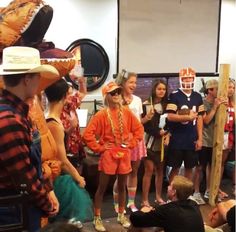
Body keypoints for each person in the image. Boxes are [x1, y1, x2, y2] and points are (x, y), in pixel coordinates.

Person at [0, 46, 60, 232]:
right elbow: (24, 177)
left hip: (20, 205)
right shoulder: (9, 120)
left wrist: (48, 189)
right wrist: (47, 204)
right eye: (37, 76)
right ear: (27, 79)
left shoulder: (18, 113)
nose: (40, 81)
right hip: (14, 209)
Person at [82, 81, 144, 231]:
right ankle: (97, 217)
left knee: (122, 186)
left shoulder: (127, 112)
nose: (116, 95)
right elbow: (87, 135)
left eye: (118, 92)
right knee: (102, 187)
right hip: (109, 155)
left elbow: (139, 130)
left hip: (124, 154)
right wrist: (100, 148)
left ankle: (121, 215)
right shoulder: (101, 114)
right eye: (113, 93)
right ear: (107, 96)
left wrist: (131, 144)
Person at [44, 79, 93, 224]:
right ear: (66, 95)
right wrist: (78, 177)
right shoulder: (53, 122)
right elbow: (62, 160)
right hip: (58, 177)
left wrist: (69, 129)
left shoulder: (52, 119)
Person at [113, 70, 146, 212]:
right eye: (131, 82)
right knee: (121, 173)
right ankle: (117, 204)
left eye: (135, 82)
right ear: (123, 83)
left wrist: (148, 119)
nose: (134, 85)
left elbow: (139, 121)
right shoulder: (115, 99)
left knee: (134, 172)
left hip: (137, 140)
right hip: (122, 141)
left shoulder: (138, 100)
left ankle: (131, 202)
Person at [166, 67, 205, 182]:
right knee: (175, 168)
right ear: (180, 79)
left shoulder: (197, 96)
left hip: (191, 138)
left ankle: (186, 194)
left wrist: (200, 139)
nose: (188, 81)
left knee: (190, 168)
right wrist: (187, 117)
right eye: (185, 78)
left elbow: (200, 119)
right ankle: (171, 193)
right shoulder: (174, 95)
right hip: (177, 138)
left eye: (190, 78)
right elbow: (170, 116)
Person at [192, 79, 227, 203]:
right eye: (217, 89)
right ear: (210, 90)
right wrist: (215, 107)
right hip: (204, 139)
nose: (219, 91)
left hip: (215, 141)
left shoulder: (219, 102)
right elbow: (206, 120)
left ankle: (209, 190)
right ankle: (196, 192)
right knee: (199, 167)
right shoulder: (203, 103)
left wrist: (223, 107)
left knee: (212, 167)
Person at [129, 175, 205, 232]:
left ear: (174, 192)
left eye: (170, 186)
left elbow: (134, 218)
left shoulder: (167, 210)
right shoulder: (194, 204)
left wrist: (144, 210)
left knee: (138, 225)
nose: (167, 187)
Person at [141, 80, 170, 207]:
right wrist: (159, 133)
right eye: (159, 89)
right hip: (149, 142)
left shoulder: (168, 105)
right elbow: (145, 126)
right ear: (154, 89)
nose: (161, 91)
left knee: (160, 170)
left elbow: (171, 122)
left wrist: (167, 133)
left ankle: (158, 196)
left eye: (164, 89)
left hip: (163, 143)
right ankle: (145, 199)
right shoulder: (146, 104)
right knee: (149, 170)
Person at [61, 66, 87, 173]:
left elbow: (82, 93)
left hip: (76, 143)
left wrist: (81, 82)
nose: (70, 95)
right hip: (64, 147)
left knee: (79, 169)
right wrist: (71, 127)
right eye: (67, 93)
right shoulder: (54, 110)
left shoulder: (71, 102)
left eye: (70, 93)